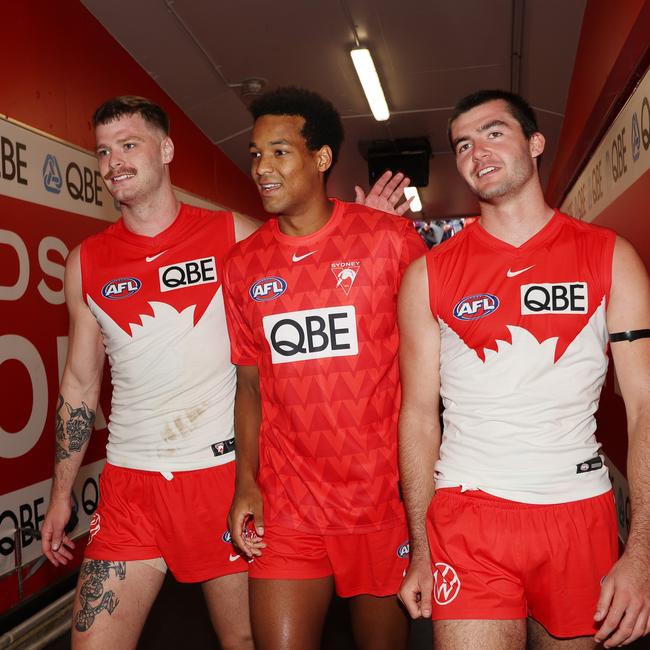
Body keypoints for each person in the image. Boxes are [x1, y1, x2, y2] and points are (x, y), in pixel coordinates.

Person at [39, 95, 408, 649]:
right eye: (103, 151)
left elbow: (302, 250)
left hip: (220, 476)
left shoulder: (231, 235)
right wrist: (61, 491)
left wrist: (366, 230)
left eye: (129, 145)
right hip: (130, 483)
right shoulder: (85, 261)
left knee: (244, 641)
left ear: (166, 150)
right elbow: (78, 383)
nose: (114, 161)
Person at [397, 89, 650, 649]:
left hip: (577, 512)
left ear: (535, 144)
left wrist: (644, 555)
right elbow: (417, 415)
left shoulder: (610, 256)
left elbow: (645, 407)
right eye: (463, 143)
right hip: (468, 512)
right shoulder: (428, 276)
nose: (476, 151)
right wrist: (420, 545)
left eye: (493, 132)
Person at [222, 86, 426, 650]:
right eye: (256, 154)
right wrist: (245, 483)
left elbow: (436, 364)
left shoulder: (389, 241)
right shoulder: (242, 266)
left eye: (280, 152)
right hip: (289, 504)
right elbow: (248, 382)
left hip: (381, 501)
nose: (262, 168)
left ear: (321, 158)